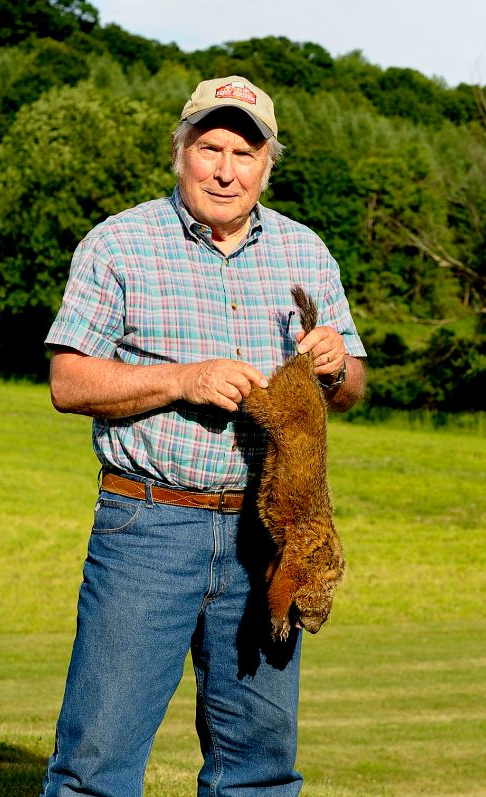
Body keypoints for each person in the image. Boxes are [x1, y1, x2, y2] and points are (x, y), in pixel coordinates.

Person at [40, 75, 367, 797]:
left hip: (268, 540)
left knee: (257, 767)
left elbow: (352, 390)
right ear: (181, 151)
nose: (226, 168)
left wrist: (337, 364)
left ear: (267, 165)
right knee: (98, 761)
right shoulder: (119, 243)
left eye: (244, 152)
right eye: (210, 147)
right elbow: (68, 382)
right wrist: (183, 379)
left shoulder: (306, 252)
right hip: (148, 523)